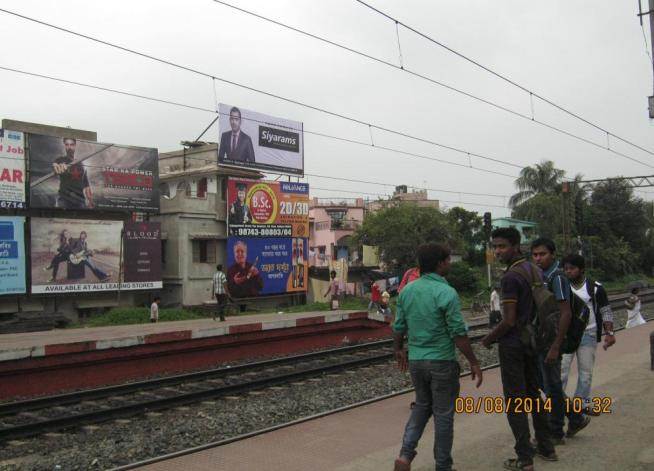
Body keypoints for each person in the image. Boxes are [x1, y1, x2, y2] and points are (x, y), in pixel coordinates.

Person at [393, 243, 482, 471]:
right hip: (441, 362)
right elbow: (458, 334)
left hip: (416, 362)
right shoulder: (447, 293)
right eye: (448, 260)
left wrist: (398, 349)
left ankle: (404, 455)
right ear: (441, 263)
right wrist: (473, 361)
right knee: (443, 415)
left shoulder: (407, 291)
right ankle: (443, 465)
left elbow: (399, 326)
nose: (450, 264)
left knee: (422, 405)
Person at [482, 228, 556, 471]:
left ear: (515, 245)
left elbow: (509, 320)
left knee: (515, 402)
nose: (498, 251)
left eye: (502, 246)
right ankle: (547, 447)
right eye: (495, 246)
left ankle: (524, 458)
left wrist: (489, 338)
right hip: (532, 342)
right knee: (534, 395)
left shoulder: (511, 277)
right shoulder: (533, 269)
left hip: (513, 345)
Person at [530, 237, 590, 443]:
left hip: (550, 342)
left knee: (552, 386)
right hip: (541, 339)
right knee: (548, 385)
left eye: (542, 254)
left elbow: (566, 313)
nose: (538, 258)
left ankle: (556, 432)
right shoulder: (540, 276)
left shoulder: (557, 278)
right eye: (535, 254)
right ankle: (575, 417)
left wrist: (556, 345)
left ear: (552, 255)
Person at [561, 254, 616, 417]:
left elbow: (605, 310)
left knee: (585, 373)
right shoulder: (561, 286)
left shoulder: (595, 287)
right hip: (567, 335)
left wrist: (610, 333)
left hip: (588, 334)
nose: (568, 272)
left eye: (572, 268)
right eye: (566, 269)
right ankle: (558, 404)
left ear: (581, 269)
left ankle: (580, 405)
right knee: (561, 372)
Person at [52, 137, 93, 209]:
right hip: (64, 199)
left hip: (80, 200)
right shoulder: (60, 160)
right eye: (67, 145)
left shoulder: (81, 163)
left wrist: (90, 200)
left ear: (75, 145)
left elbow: (86, 184)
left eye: (71, 144)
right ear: (64, 146)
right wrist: (57, 167)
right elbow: (55, 165)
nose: (69, 147)